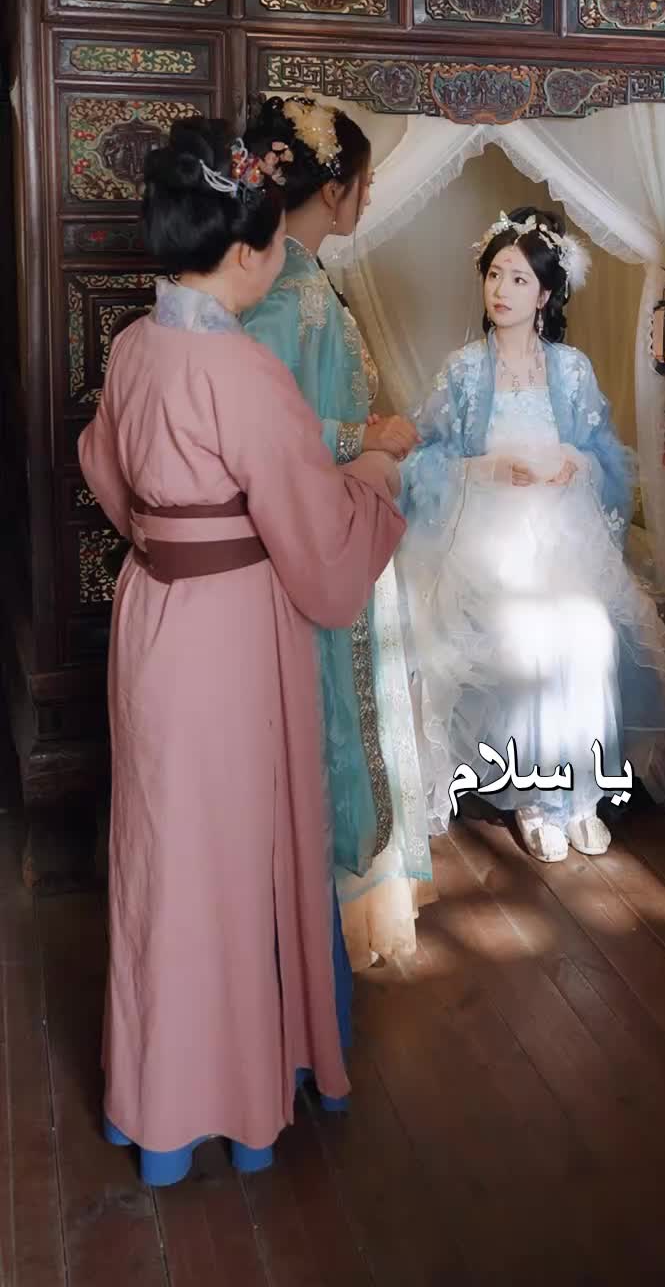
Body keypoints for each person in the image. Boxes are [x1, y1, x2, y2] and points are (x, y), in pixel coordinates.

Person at [78, 117, 404, 1185]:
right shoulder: (245, 371)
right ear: (253, 251)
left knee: (160, 855)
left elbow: (105, 469)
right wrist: (377, 483)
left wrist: (170, 538)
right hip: (228, 633)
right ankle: (230, 1106)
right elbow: (317, 541)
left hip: (152, 616)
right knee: (230, 860)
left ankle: (150, 1104)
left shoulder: (134, 346)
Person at [398, 205, 665, 862]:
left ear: (546, 295)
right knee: (528, 639)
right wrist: (481, 468)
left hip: (561, 539)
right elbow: (422, 460)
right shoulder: (463, 371)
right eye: (494, 275)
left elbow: (607, 458)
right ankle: (535, 798)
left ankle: (581, 793)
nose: (501, 290)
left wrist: (576, 463)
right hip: (483, 542)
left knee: (588, 634)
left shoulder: (572, 370)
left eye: (519, 279)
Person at [241, 95, 433, 968]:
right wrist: (366, 436)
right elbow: (260, 430)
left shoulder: (303, 278)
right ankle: (314, 918)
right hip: (312, 532)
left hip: (339, 519)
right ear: (332, 189)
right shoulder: (289, 293)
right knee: (325, 707)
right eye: (364, 182)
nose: (368, 197)